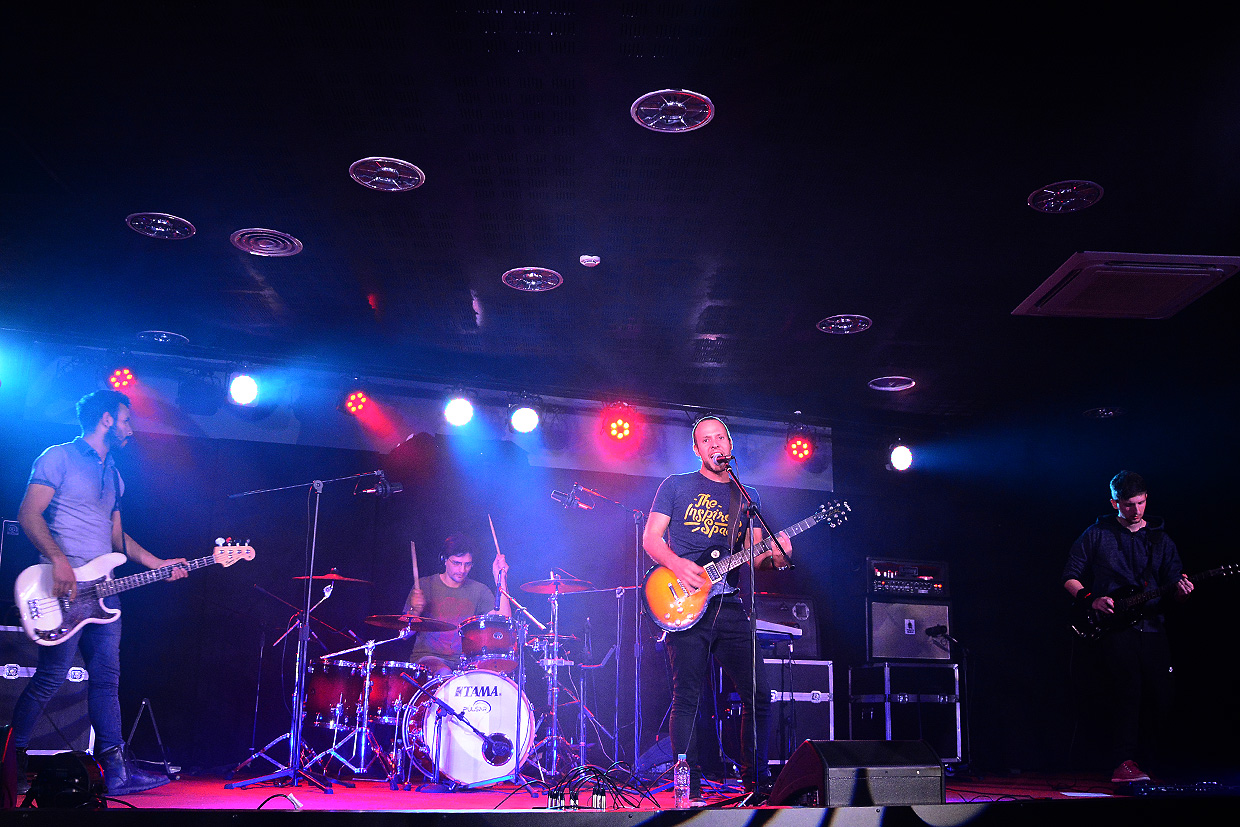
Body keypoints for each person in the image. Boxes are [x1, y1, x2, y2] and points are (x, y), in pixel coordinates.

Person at [9, 389, 189, 796]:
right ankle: (9, 759)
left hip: (104, 591)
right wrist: (58, 560)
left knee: (107, 679)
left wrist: (158, 563)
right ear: (106, 419)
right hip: (62, 587)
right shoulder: (58, 456)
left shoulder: (113, 474)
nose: (130, 428)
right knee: (51, 676)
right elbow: (28, 513)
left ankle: (117, 772)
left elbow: (116, 536)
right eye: (125, 420)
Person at [642, 415, 791, 800]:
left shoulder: (747, 496)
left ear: (730, 445)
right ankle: (684, 787)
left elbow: (754, 557)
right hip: (683, 598)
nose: (714, 445)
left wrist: (776, 556)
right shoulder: (675, 485)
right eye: (705, 440)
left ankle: (756, 784)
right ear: (696, 450)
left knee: (758, 692)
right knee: (688, 695)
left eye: (719, 438)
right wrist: (679, 565)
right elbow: (652, 539)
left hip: (727, 602)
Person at [1062, 470, 1193, 784]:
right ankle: (1123, 763)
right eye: (1128, 504)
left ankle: (1149, 762)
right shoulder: (1097, 533)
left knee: (1161, 695)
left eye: (1140, 502)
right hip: (1116, 627)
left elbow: (1175, 585)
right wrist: (1091, 598)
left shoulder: (1161, 538)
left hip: (1153, 627)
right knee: (1127, 692)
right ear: (1114, 502)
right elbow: (1070, 576)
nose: (1135, 510)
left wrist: (1182, 590)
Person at [404, 533, 510, 676]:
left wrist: (500, 577)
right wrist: (415, 611)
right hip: (429, 659)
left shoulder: (479, 590)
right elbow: (404, 635)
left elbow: (503, 620)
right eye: (456, 563)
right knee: (444, 673)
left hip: (465, 663)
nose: (462, 570)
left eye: (467, 564)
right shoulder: (424, 585)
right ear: (444, 560)